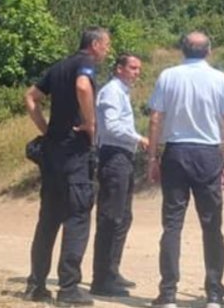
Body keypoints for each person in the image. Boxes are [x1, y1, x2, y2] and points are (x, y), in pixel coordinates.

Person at [147, 31, 224, 308]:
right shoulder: (219, 79)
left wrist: (153, 157)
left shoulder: (168, 76)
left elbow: (155, 118)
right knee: (212, 225)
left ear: (182, 50)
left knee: (172, 224)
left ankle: (168, 293)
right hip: (208, 153)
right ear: (209, 51)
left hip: (176, 151)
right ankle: (213, 293)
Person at [23, 27, 111, 307]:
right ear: (95, 45)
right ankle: (69, 288)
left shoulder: (58, 66)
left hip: (53, 155)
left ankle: (36, 284)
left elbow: (30, 97)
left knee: (48, 220)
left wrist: (47, 130)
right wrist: (90, 123)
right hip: (75, 154)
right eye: (106, 45)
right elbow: (83, 87)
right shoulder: (84, 63)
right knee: (77, 218)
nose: (107, 51)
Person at [89, 53, 149, 297]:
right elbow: (111, 126)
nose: (137, 72)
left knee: (123, 216)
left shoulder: (122, 91)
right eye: (133, 68)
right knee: (111, 217)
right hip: (113, 156)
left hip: (123, 157)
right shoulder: (112, 91)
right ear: (119, 69)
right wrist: (139, 138)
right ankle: (101, 278)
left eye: (138, 68)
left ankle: (111, 271)